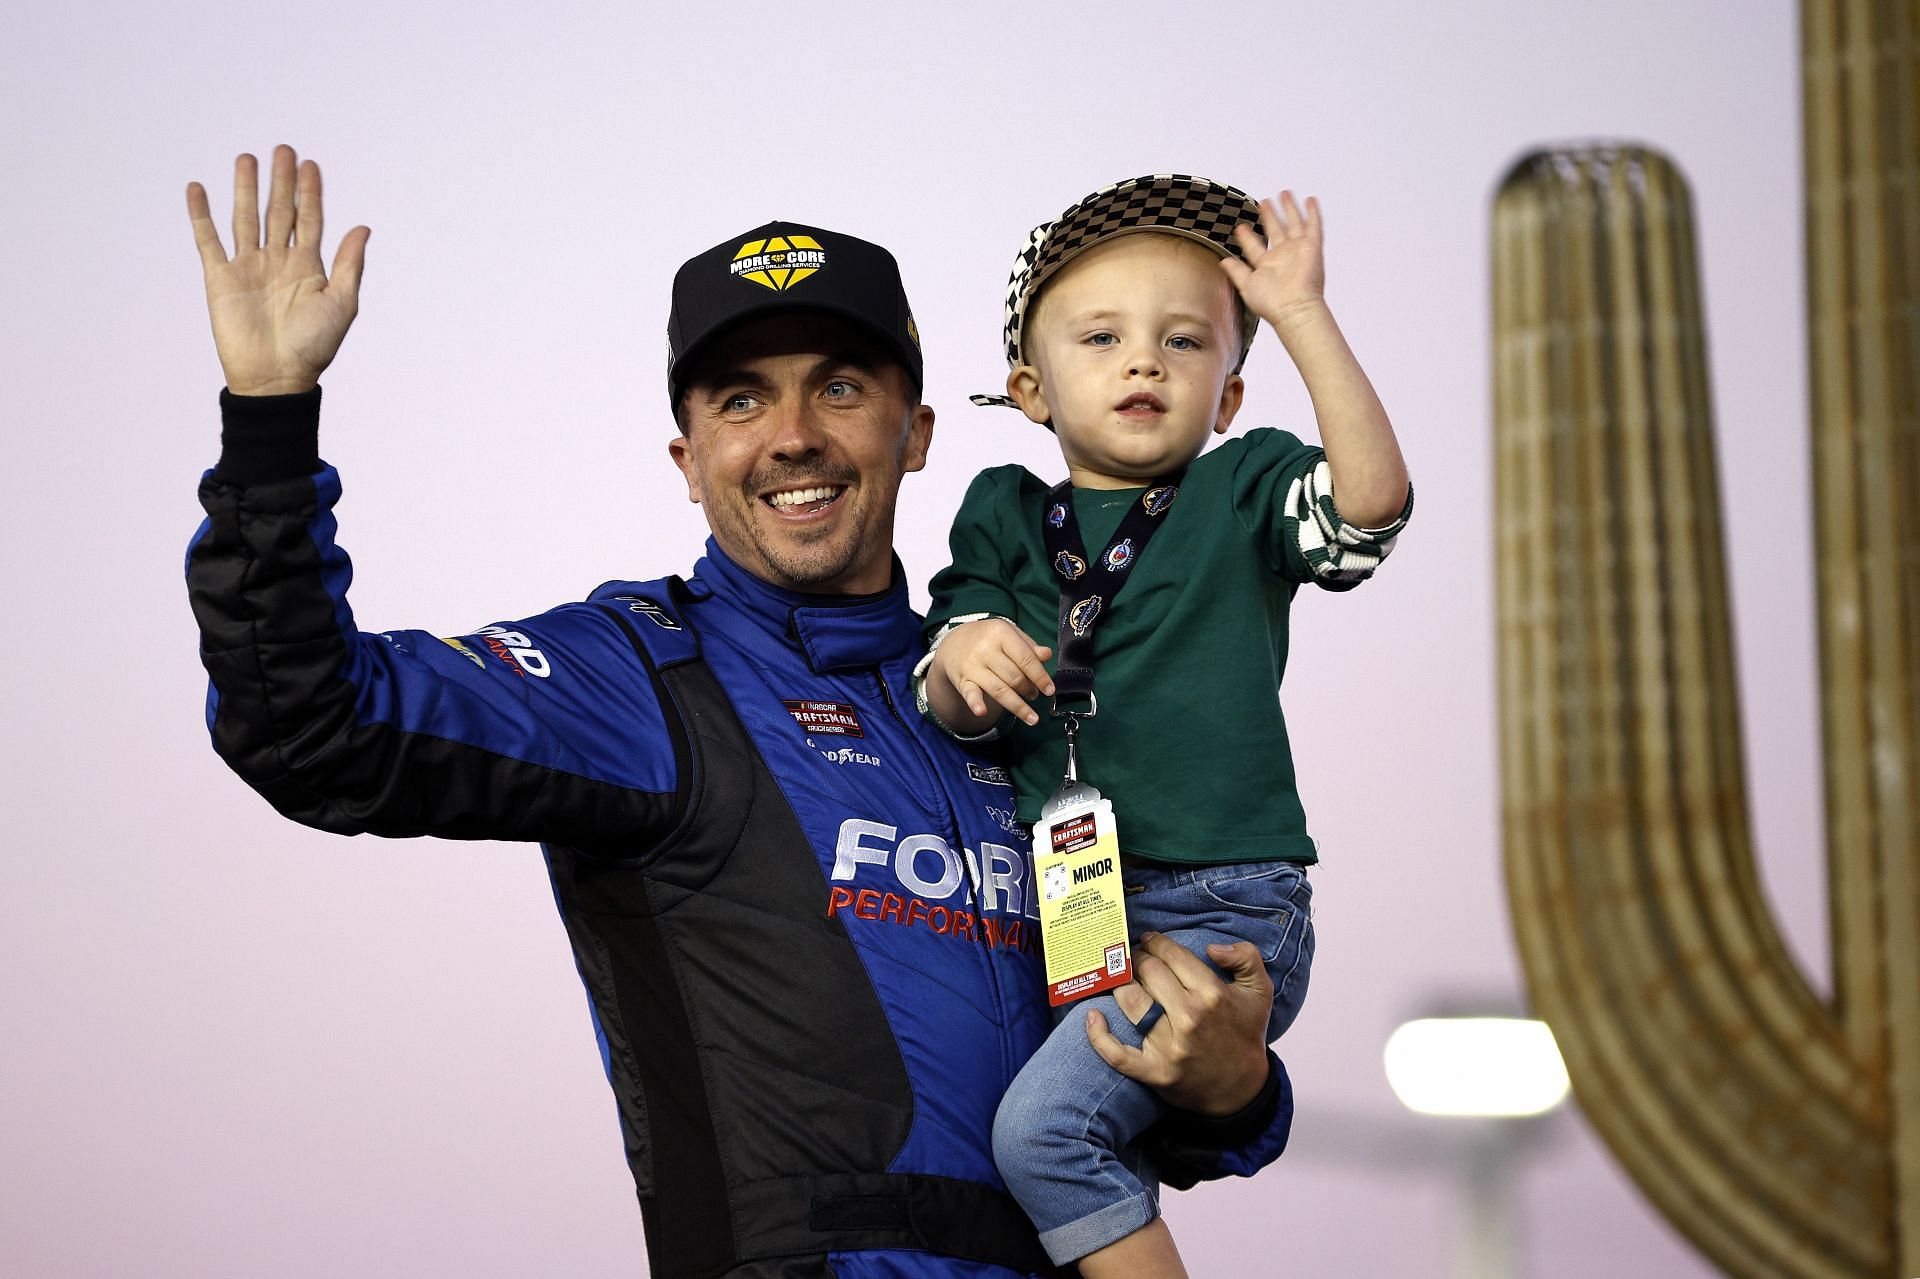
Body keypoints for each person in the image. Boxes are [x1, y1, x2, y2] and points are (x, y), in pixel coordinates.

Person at [182, 147, 1296, 1279]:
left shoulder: (1005, 698)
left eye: (842, 386)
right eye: (742, 398)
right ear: (690, 457)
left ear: (917, 435)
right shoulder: (639, 676)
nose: (794, 434)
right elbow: (308, 723)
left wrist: (1236, 1090)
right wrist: (271, 421)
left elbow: (1122, 1069)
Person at [917, 174, 1414, 1277]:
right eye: (1101, 337)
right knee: (1060, 1141)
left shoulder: (1243, 487)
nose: (1144, 361)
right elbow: (944, 690)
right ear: (1030, 389)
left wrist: (1301, 316)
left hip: (1219, 903)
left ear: (1229, 394)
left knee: (1045, 1135)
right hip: (1068, 903)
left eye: (1185, 342)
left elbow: (1368, 509)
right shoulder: (1002, 509)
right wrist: (961, 657)